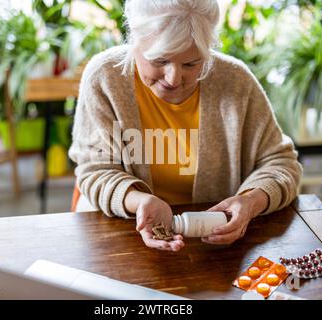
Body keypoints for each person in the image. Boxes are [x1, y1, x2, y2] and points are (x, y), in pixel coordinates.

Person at [68, 0, 302, 252]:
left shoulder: (236, 82)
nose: (173, 78)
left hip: (216, 247)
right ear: (133, 40)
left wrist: (250, 201)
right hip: (123, 237)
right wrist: (138, 202)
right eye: (159, 60)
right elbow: (94, 170)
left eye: (191, 64)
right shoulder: (104, 78)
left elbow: (282, 164)